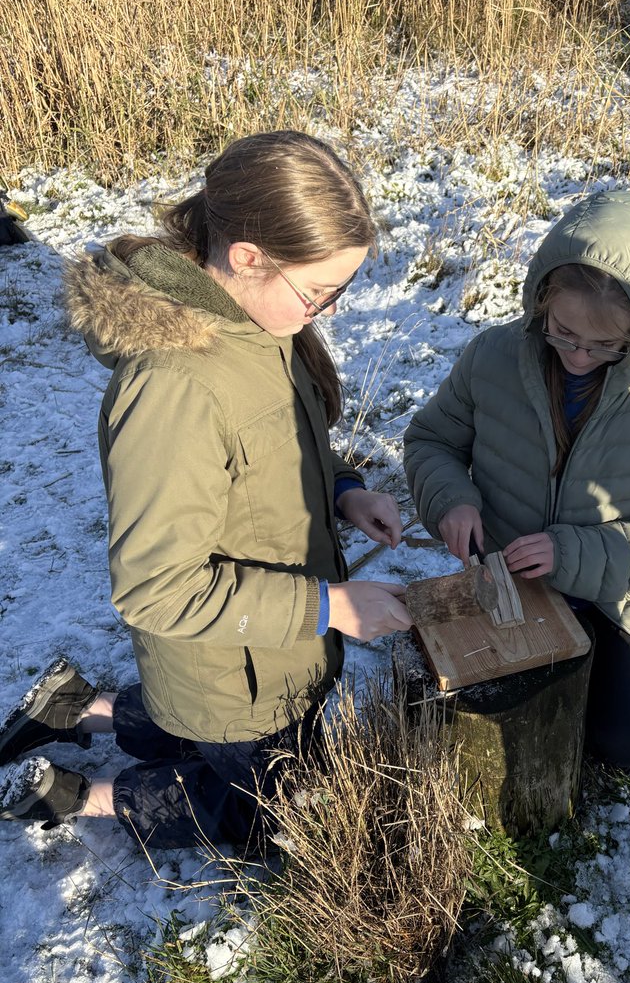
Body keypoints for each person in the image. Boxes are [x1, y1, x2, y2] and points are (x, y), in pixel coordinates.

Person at [0, 131, 413, 847]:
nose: (328, 310)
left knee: (212, 728)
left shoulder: (256, 323)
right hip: (241, 669)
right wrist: (329, 605)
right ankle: (78, 797)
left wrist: (345, 490)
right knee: (270, 809)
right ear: (248, 257)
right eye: (319, 291)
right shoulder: (175, 389)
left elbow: (276, 450)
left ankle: (75, 709)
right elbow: (158, 588)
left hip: (263, 648)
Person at [404, 190, 630, 769]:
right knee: (456, 706)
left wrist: (570, 553)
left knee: (621, 742)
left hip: (608, 597)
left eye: (605, 345)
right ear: (541, 301)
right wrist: (451, 500)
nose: (577, 355)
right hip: (500, 576)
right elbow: (432, 441)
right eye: (563, 332)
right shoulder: (492, 357)